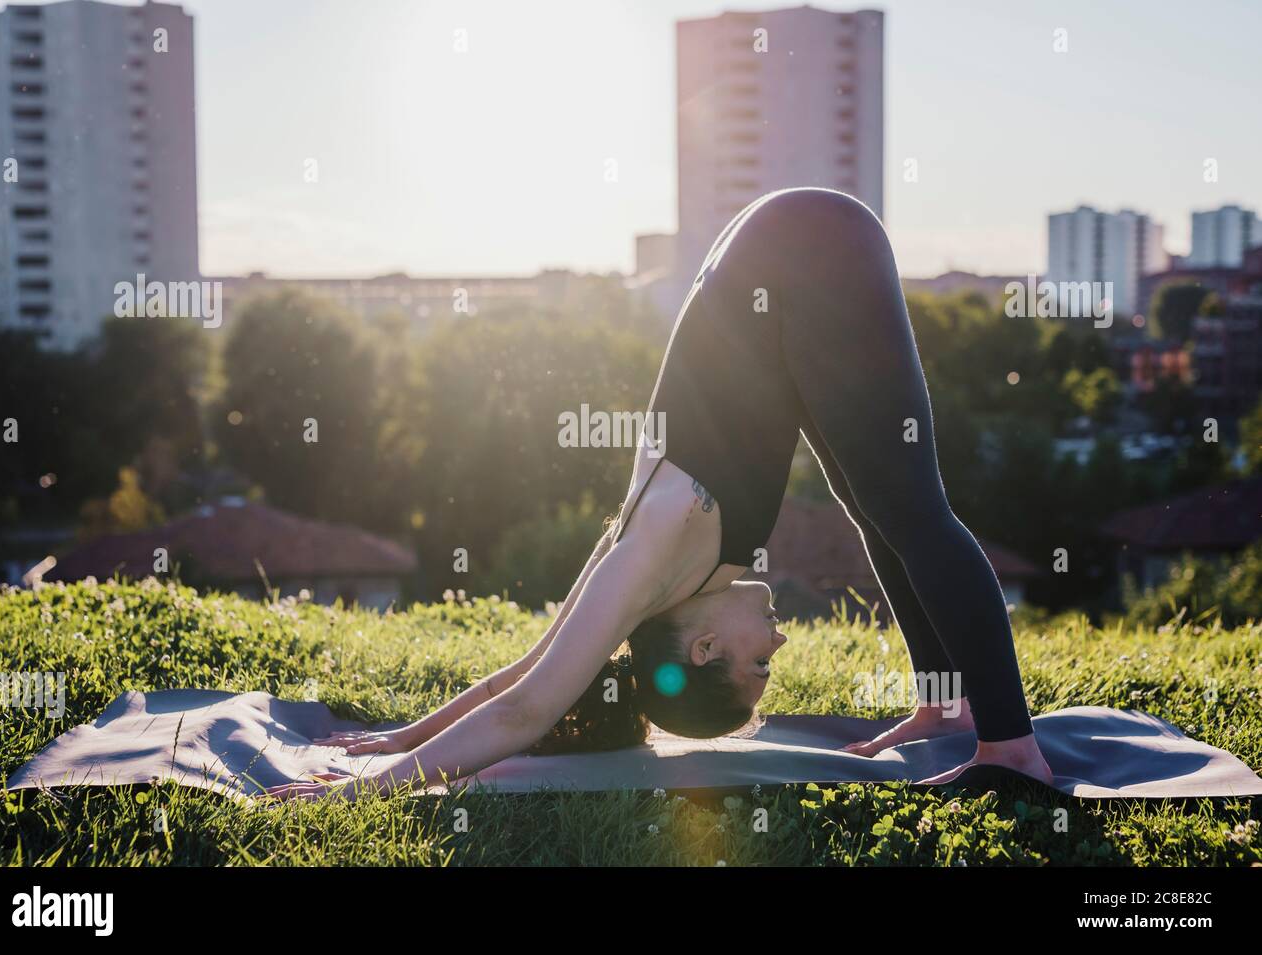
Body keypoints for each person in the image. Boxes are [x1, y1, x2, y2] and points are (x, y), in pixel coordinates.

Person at [266, 187, 1053, 800]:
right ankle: (947, 705)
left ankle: (1011, 753)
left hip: (804, 247)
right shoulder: (648, 566)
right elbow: (525, 671)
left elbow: (525, 707)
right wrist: (401, 738)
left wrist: (375, 782)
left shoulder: (651, 549)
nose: (779, 648)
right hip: (786, 259)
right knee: (879, 504)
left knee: (913, 510)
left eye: (758, 668)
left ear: (704, 650)